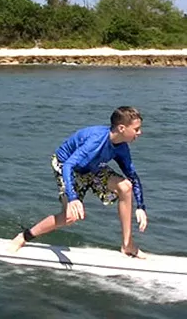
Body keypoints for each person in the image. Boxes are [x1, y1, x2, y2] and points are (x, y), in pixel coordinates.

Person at [9, 106, 149, 258]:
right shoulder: (95, 141)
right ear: (122, 128)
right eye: (136, 129)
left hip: (92, 167)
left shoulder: (121, 147)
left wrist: (140, 206)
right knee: (70, 216)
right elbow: (68, 165)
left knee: (125, 186)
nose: (139, 132)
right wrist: (73, 198)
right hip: (66, 166)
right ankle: (24, 237)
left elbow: (132, 176)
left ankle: (127, 244)